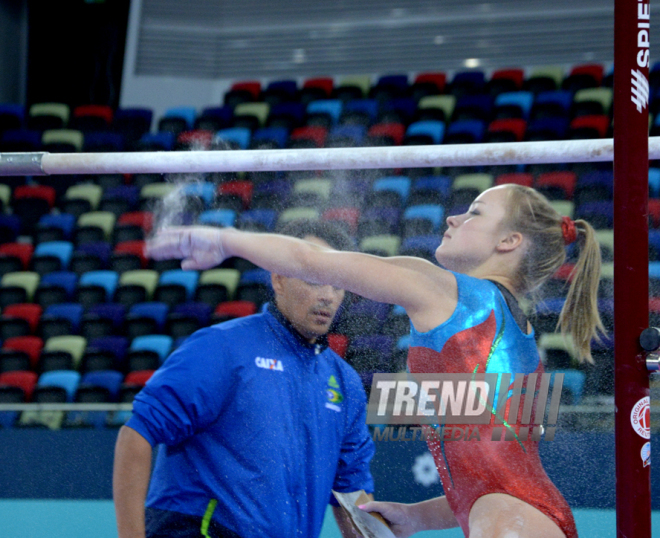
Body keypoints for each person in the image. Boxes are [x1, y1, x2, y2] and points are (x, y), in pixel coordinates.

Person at [146, 184, 604, 538]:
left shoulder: (446, 289)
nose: (453, 215)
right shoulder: (517, 332)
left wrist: (224, 237)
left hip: (509, 518)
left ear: (509, 241)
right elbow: (491, 471)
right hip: (521, 512)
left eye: (475, 212)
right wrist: (415, 517)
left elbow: (312, 261)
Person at [114, 219, 376, 538]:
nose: (328, 297)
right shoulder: (222, 347)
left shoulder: (345, 384)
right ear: (278, 277)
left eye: (337, 283)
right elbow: (136, 434)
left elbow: (352, 496)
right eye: (315, 279)